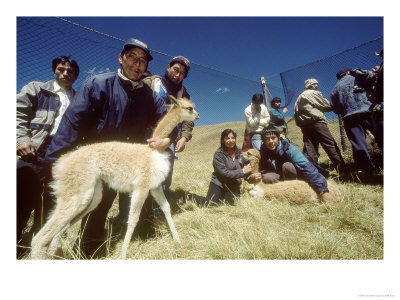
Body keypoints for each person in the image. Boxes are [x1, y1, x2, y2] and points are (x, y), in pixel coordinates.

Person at [42, 38, 172, 258]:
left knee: (118, 205)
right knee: (82, 207)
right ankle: (68, 248)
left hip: (126, 163)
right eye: (132, 56)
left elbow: (167, 120)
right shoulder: (97, 84)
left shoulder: (149, 96)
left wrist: (167, 139)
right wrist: (52, 161)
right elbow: (72, 123)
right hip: (94, 161)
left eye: (143, 60)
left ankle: (106, 246)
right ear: (120, 58)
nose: (137, 64)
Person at [16, 55, 79, 255]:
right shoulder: (37, 89)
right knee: (21, 198)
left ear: (76, 76)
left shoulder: (78, 99)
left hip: (61, 155)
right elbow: (18, 112)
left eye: (70, 71)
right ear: (54, 71)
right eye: (61, 69)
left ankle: (40, 247)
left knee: (50, 202)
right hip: (34, 150)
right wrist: (21, 139)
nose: (65, 73)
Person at [253, 126, 335, 203]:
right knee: (267, 177)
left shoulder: (288, 148)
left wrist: (323, 191)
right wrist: (257, 175)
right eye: (267, 139)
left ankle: (297, 191)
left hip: (299, 176)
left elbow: (306, 166)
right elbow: (262, 168)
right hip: (281, 177)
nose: (271, 141)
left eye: (273, 138)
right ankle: (281, 193)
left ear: (278, 138)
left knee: (287, 166)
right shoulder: (263, 151)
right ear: (263, 140)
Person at [331, 68, 382, 175]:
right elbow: (373, 80)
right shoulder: (357, 76)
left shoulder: (335, 89)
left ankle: (366, 169)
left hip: (350, 118)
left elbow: (337, 109)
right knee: (382, 135)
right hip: (368, 111)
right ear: (348, 72)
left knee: (358, 144)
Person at [294, 78, 346, 173]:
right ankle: (341, 168)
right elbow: (325, 105)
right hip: (316, 122)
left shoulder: (299, 97)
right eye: (314, 84)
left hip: (305, 125)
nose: (316, 86)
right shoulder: (312, 93)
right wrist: (334, 106)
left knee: (310, 148)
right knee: (329, 144)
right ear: (310, 85)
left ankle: (310, 170)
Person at [196, 129, 257, 206]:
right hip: (218, 184)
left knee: (227, 203)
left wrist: (251, 177)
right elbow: (224, 173)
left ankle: (219, 199)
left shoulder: (240, 153)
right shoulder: (218, 154)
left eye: (233, 138)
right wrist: (242, 171)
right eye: (227, 138)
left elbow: (247, 168)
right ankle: (189, 196)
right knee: (210, 204)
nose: (231, 140)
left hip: (234, 185)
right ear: (223, 140)